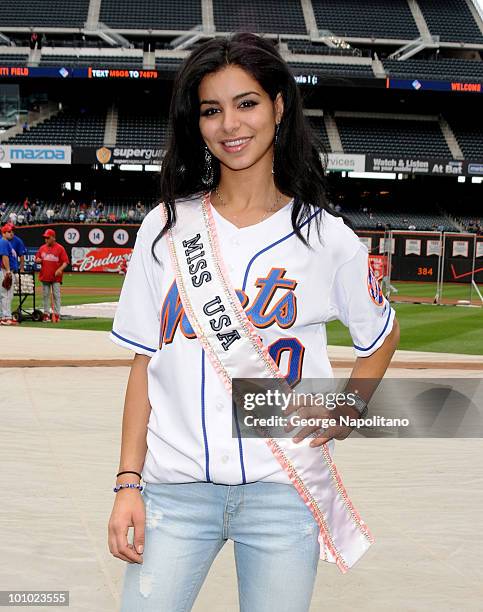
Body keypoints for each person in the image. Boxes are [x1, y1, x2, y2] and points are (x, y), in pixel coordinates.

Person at [108, 33, 400, 612]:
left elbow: (381, 333)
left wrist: (349, 406)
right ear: (197, 123)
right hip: (176, 490)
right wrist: (126, 483)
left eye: (246, 103)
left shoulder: (325, 236)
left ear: (278, 107)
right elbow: (144, 364)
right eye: (211, 110)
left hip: (282, 489)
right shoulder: (166, 228)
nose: (229, 124)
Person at [34, 229, 69, 323]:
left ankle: (57, 314)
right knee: (45, 295)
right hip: (45, 275)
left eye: (48, 238)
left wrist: (60, 269)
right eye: (45, 238)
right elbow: (37, 258)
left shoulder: (60, 248)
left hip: (56, 277)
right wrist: (37, 260)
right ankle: (46, 314)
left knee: (56, 295)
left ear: (53, 238)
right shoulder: (42, 248)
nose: (46, 240)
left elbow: (65, 262)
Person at [0, 224, 19, 326]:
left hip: (4, 270)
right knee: (7, 295)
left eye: (12, 231)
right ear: (3, 233)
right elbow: (4, 256)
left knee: (4, 295)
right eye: (9, 231)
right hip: (4, 270)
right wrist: (8, 271)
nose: (11, 233)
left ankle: (3, 316)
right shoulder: (3, 242)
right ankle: (6, 317)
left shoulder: (6, 242)